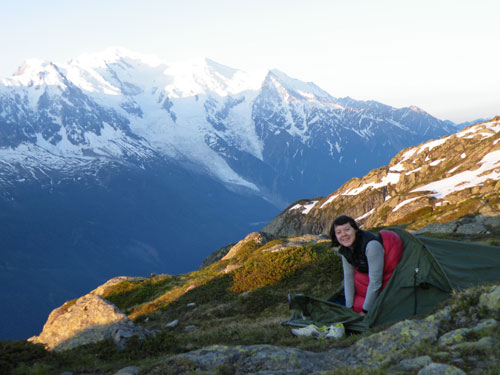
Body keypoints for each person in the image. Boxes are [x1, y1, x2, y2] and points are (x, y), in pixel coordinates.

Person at [330, 215, 403, 316]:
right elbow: (348, 277)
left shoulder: (372, 246)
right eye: (339, 232)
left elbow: (376, 282)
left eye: (347, 229)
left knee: (368, 306)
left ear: (355, 230)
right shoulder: (345, 249)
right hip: (366, 278)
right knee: (353, 302)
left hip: (386, 280)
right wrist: (349, 307)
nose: (343, 235)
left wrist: (365, 311)